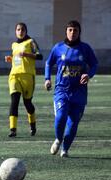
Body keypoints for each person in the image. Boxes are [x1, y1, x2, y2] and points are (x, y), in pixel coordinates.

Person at [45, 20, 98, 157]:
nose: (72, 33)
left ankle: (65, 149)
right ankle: (58, 139)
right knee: (61, 116)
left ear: (79, 32)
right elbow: (48, 63)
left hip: (79, 92)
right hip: (62, 90)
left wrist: (88, 74)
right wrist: (47, 79)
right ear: (66, 31)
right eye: (70, 30)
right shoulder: (58, 48)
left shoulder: (85, 48)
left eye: (75, 30)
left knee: (73, 123)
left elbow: (94, 64)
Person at [4, 22, 43, 137]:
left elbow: (40, 56)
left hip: (28, 76)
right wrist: (10, 59)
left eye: (22, 30)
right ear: (15, 31)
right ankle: (13, 129)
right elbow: (17, 60)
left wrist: (26, 54)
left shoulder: (31, 42)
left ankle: (33, 125)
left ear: (26, 31)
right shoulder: (14, 44)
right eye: (18, 29)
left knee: (27, 103)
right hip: (14, 75)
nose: (20, 32)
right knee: (14, 102)